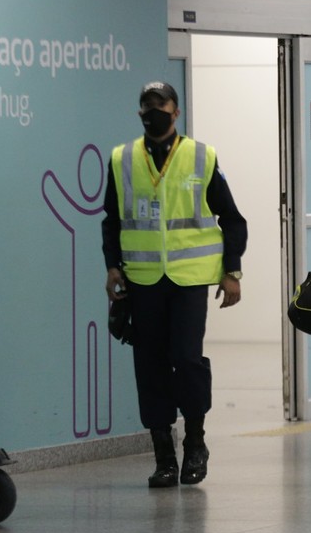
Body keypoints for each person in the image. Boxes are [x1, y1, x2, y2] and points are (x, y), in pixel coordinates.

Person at [102, 81, 247, 488]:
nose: (153, 111)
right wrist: (112, 267)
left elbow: (232, 219)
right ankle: (163, 455)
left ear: (176, 111)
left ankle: (196, 442)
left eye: (160, 104)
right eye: (146, 105)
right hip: (142, 279)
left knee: (185, 359)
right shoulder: (122, 159)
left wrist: (231, 271)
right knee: (149, 364)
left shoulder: (200, 156)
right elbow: (112, 221)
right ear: (139, 112)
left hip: (188, 279)